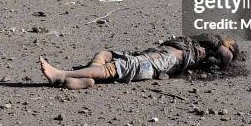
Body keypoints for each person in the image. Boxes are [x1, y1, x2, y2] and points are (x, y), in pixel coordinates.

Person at [39, 34, 239, 90]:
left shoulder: (217, 46)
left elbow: (225, 54)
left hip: (164, 60)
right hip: (158, 53)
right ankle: (86, 78)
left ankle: (61, 75)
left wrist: (226, 49)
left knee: (115, 67)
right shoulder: (207, 48)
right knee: (107, 54)